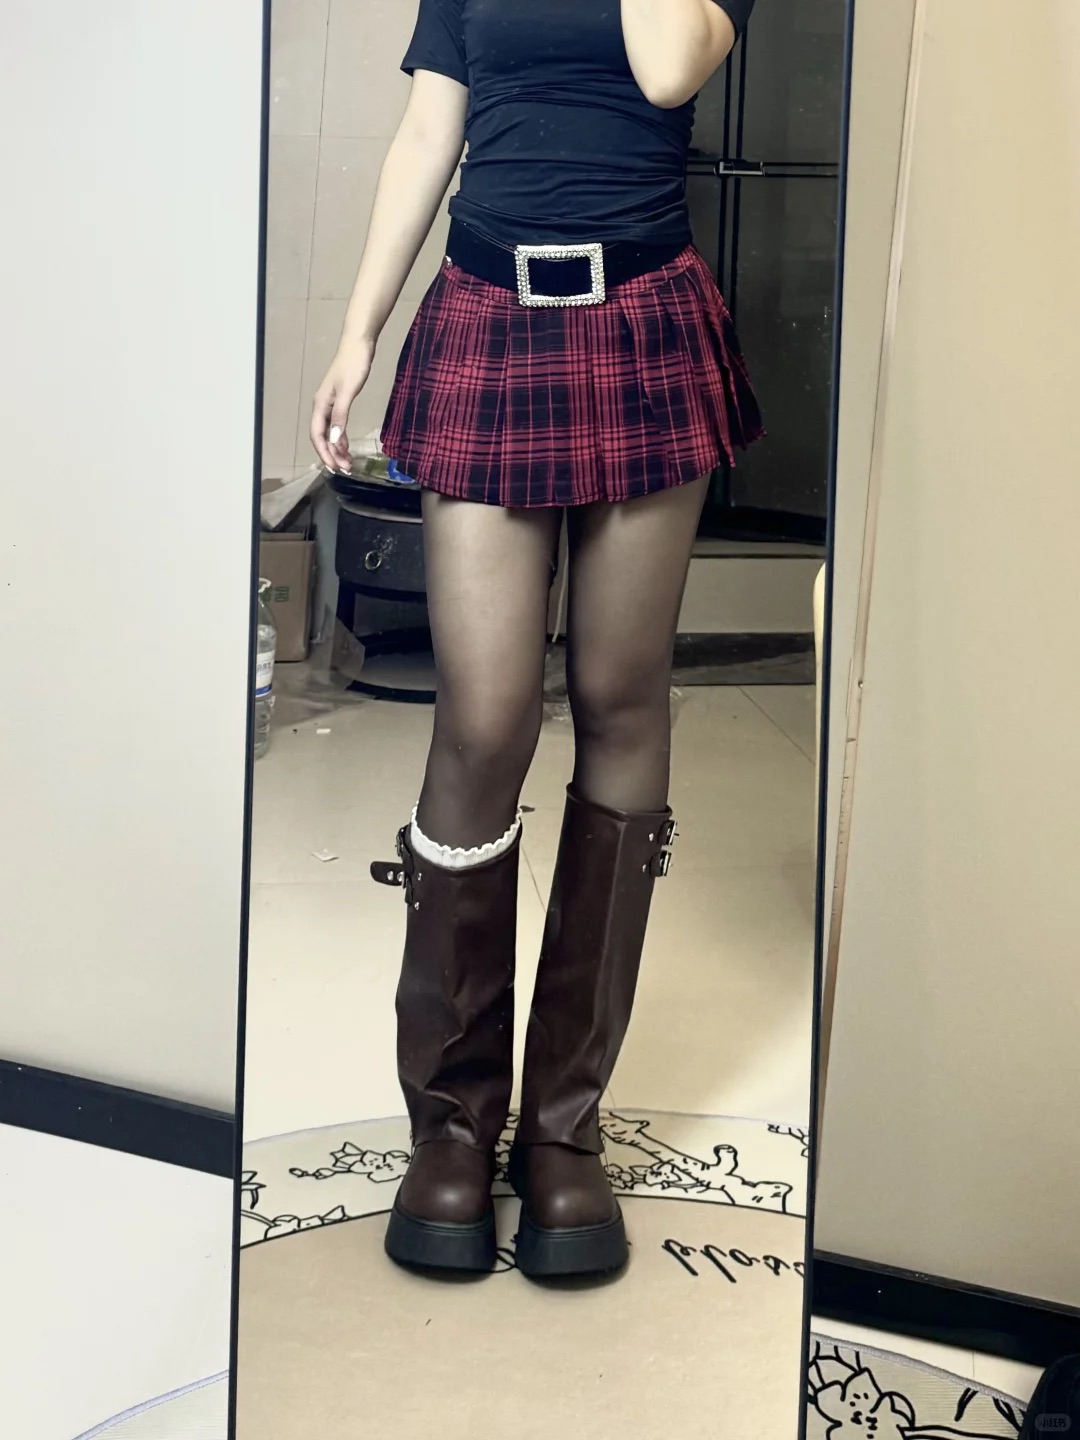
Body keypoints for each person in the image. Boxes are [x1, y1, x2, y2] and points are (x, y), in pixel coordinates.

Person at [310, 0, 762, 1280]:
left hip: (647, 322)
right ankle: (451, 1121)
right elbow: (428, 133)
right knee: (485, 716)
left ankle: (564, 1129)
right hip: (486, 315)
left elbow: (666, 68)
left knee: (620, 695)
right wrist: (358, 332)